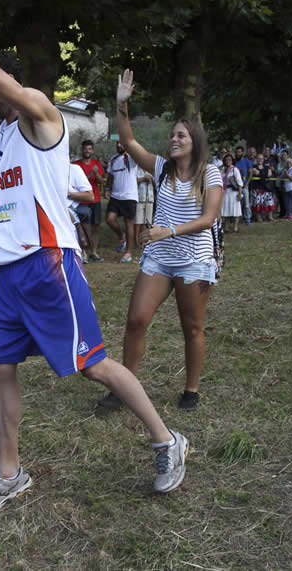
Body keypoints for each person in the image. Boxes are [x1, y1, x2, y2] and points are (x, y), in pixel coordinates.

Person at [0, 0, 188, 518]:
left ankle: (165, 439)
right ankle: (10, 473)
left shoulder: (38, 116)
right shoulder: (3, 129)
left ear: (10, 84)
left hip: (49, 263)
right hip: (10, 273)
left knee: (93, 364)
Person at [99, 69, 223, 412]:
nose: (173, 139)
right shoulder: (162, 168)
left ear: (194, 140)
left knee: (192, 326)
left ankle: (191, 389)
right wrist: (121, 105)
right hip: (159, 258)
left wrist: (168, 230)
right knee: (136, 319)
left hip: (194, 259)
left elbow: (209, 219)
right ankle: (125, 387)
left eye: (181, 135)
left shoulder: (210, 172)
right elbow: (129, 141)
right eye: (171, 135)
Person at [105, 141, 139, 263]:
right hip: (115, 196)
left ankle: (128, 252)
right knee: (110, 219)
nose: (119, 145)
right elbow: (110, 175)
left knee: (128, 223)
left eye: (122, 143)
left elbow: (138, 156)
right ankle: (121, 236)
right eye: (117, 143)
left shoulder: (131, 158)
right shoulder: (113, 159)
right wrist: (107, 188)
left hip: (129, 196)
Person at [73, 139, 106, 263]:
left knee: (95, 227)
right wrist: (90, 174)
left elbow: (102, 181)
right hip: (82, 200)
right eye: (85, 148)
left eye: (90, 149)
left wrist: (96, 174)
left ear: (92, 150)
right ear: (82, 150)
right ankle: (84, 252)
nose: (87, 151)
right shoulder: (76, 165)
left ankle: (94, 252)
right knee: (83, 227)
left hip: (95, 199)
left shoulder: (96, 164)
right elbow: (77, 182)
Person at [220, 153, 243, 234]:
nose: (228, 161)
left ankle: (235, 227)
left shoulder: (235, 170)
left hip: (234, 192)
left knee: (236, 210)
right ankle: (226, 227)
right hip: (225, 192)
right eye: (226, 160)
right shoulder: (222, 170)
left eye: (229, 160)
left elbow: (239, 182)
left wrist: (240, 193)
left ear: (232, 161)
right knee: (225, 209)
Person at [249, 153, 277, 222]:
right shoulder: (253, 167)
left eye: (261, 158)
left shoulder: (267, 167)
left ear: (263, 159)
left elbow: (269, 174)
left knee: (269, 203)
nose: (260, 160)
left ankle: (270, 217)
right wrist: (264, 173)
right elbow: (256, 173)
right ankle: (259, 218)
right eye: (258, 158)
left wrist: (261, 173)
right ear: (256, 159)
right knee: (257, 204)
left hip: (266, 188)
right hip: (257, 188)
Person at [234, 146, 253, 225]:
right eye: (237, 152)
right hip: (236, 186)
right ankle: (237, 218)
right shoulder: (235, 162)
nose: (238, 153)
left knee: (246, 203)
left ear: (242, 152)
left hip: (245, 185)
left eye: (239, 152)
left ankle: (248, 218)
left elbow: (251, 173)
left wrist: (247, 182)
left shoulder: (247, 161)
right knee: (238, 202)